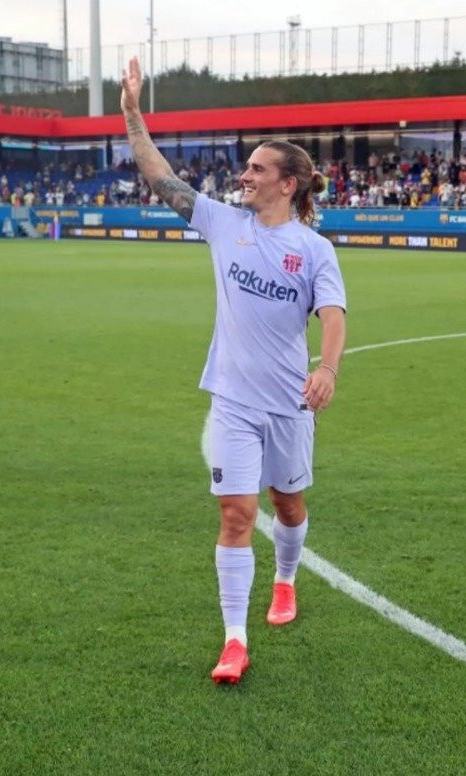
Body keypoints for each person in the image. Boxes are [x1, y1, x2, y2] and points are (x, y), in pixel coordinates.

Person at [120, 56, 346, 684]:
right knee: (237, 515)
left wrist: (326, 368)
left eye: (256, 168)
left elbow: (332, 314)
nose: (243, 175)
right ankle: (234, 640)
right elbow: (160, 174)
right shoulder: (225, 223)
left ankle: (286, 580)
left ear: (289, 183)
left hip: (289, 405)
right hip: (232, 402)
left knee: (290, 506)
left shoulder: (314, 250)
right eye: (245, 166)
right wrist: (133, 114)